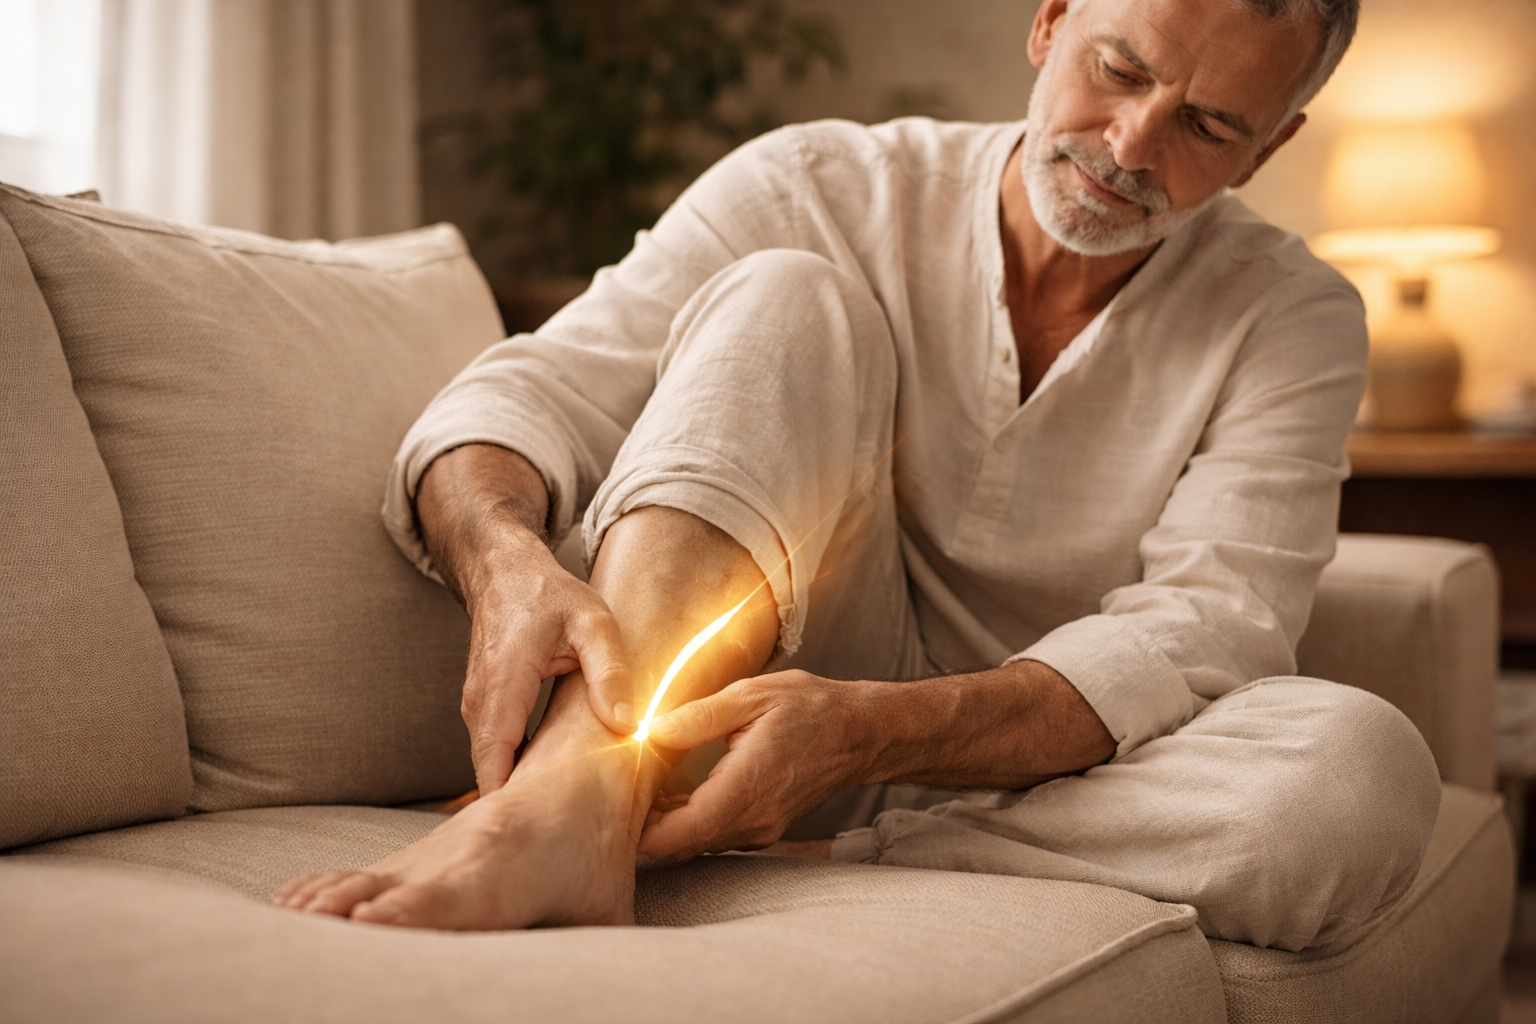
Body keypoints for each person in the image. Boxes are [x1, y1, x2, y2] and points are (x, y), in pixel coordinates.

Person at [272, 0, 1440, 951]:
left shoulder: (1293, 316)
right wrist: (509, 563)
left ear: (1275, 143)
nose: (1132, 145)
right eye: (1119, 68)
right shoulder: (819, 180)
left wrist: (874, 734)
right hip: (734, 693)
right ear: (1048, 20)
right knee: (791, 293)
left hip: (1026, 784)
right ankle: (572, 797)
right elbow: (522, 398)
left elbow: (1211, 627)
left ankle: (755, 848)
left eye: (1210, 127)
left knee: (1359, 777)